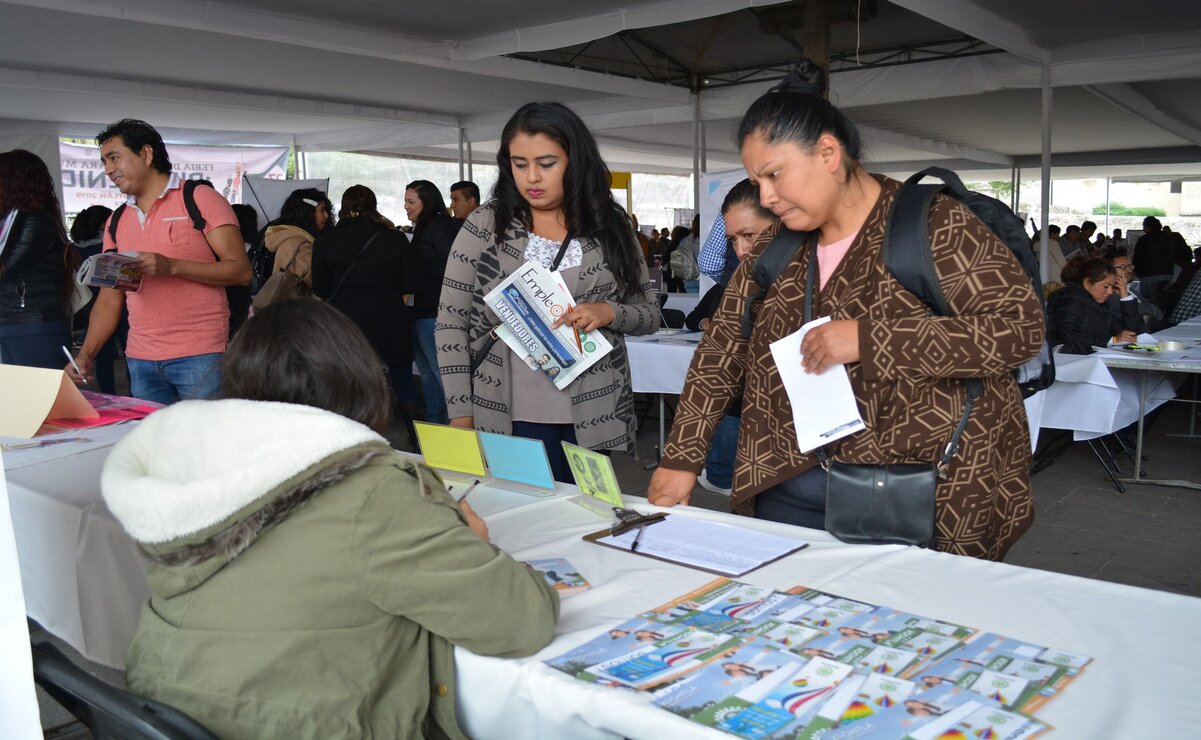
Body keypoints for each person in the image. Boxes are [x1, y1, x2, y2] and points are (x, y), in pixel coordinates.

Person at [101, 299, 558, 738]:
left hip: (166, 713)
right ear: (359, 376)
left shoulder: (189, 463)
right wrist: (473, 541)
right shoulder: (371, 490)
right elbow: (519, 621)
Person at [646, 62, 1044, 561]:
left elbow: (1019, 329)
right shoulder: (777, 248)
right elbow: (720, 351)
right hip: (784, 490)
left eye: (774, 175)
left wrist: (870, 340)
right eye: (756, 180)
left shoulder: (935, 226)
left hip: (920, 501)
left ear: (829, 153)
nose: (766, 196)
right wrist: (683, 456)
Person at [437, 102, 660, 482]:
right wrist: (460, 411)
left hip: (593, 411)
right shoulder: (486, 224)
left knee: (582, 521)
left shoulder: (610, 226)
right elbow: (450, 323)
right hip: (506, 410)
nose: (532, 178)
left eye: (547, 163)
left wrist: (608, 313)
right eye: (519, 164)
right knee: (521, 523)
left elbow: (649, 313)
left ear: (575, 160)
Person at [66, 119, 251, 404]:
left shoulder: (199, 198)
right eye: (104, 162)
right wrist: (86, 354)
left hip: (201, 355)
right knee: (155, 445)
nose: (108, 170)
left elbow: (240, 270)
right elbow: (109, 298)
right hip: (140, 360)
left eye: (114, 158)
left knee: (203, 444)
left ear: (146, 154)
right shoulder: (117, 220)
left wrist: (172, 266)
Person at [685, 179, 779, 495]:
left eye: (749, 236)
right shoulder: (739, 288)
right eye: (732, 239)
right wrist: (680, 461)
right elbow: (711, 374)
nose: (739, 250)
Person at [312, 185, 419, 417]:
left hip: (344, 320)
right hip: (390, 317)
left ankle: (351, 434)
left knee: (346, 380)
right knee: (402, 378)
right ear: (373, 207)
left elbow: (320, 288)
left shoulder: (326, 240)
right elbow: (412, 283)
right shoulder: (394, 239)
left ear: (343, 208)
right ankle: (415, 437)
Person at [0, 149, 81, 368]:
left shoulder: (35, 222)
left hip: (33, 324)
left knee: (41, 399)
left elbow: (4, 269)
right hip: (12, 323)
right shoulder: (10, 222)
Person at [405, 179, 456, 424]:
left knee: (438, 371)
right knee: (426, 372)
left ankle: (454, 422)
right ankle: (435, 419)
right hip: (419, 309)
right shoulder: (423, 227)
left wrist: (414, 267)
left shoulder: (437, 226)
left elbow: (449, 266)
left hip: (433, 309)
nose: (406, 206)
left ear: (426, 202)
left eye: (411, 201)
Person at [69, 205, 126, 392]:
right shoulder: (107, 247)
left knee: (103, 358)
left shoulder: (73, 248)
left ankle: (109, 396)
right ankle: (134, 398)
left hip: (92, 308)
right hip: (120, 305)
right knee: (131, 355)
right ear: (104, 224)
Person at [1047, 257, 1139, 354]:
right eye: (1106, 286)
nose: (1110, 292)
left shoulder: (1101, 303)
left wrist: (1125, 297)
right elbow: (1069, 337)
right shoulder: (1069, 300)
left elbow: (1128, 333)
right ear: (1087, 283)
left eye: (1112, 286)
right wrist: (1112, 340)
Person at [261, 187, 330, 299]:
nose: (326, 216)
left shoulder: (281, 235)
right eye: (322, 210)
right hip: (297, 310)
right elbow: (319, 283)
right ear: (308, 212)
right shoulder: (300, 245)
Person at [1133, 216, 1177, 303]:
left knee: (1146, 299)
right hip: (1167, 273)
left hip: (1149, 274)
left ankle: (1150, 315)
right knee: (1160, 298)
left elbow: (1138, 257)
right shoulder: (1168, 238)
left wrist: (1136, 271)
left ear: (1148, 227)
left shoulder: (1144, 239)